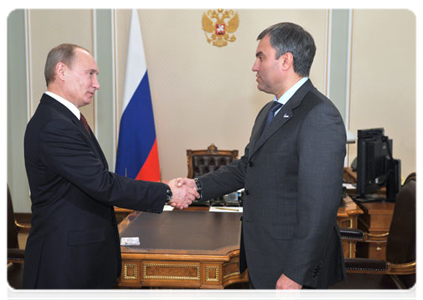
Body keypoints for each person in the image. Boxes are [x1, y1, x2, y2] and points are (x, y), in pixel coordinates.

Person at [180, 22, 346, 300]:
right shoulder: (270, 111)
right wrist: (196, 187)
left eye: (260, 56)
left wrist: (296, 272)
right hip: (265, 263)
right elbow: (248, 166)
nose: (254, 67)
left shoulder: (319, 115)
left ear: (286, 60)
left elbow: (320, 207)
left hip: (292, 272)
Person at [23, 43, 198, 300]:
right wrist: (168, 191)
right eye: (90, 73)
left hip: (77, 264)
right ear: (61, 71)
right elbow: (102, 184)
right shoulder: (55, 126)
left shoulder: (64, 119)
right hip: (63, 270)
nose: (96, 84)